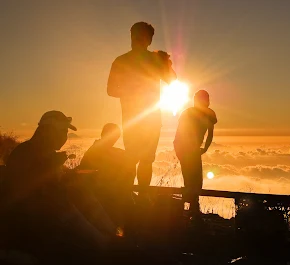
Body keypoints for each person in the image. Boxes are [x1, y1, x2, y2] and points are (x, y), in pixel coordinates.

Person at [0, 111, 116, 263]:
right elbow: (29, 192)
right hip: (34, 227)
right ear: (48, 130)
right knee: (74, 206)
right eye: (62, 132)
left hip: (48, 221)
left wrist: (68, 177)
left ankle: (110, 239)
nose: (65, 137)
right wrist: (56, 174)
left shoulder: (42, 153)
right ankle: (108, 245)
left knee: (82, 195)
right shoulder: (26, 153)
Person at [107, 22, 176, 188]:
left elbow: (171, 80)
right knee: (140, 160)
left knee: (141, 159)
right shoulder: (147, 60)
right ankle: (135, 198)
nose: (136, 39)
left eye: (140, 35)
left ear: (148, 40)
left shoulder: (125, 60)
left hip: (140, 119)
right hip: (141, 120)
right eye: (134, 35)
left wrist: (166, 64)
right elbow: (110, 90)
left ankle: (134, 197)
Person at [173, 90, 217, 215]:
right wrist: (204, 148)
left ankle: (192, 206)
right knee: (193, 177)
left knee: (191, 177)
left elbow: (209, 133)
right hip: (186, 147)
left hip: (185, 147)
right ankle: (193, 207)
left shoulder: (189, 112)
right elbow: (209, 133)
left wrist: (203, 148)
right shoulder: (204, 113)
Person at [79, 123, 131, 228]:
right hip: (99, 194)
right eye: (113, 136)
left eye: (116, 137)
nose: (114, 140)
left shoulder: (108, 151)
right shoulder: (96, 151)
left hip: (107, 192)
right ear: (104, 134)